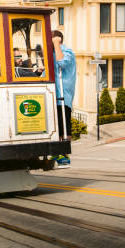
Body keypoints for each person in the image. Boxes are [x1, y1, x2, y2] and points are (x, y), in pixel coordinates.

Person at [51, 30, 76, 168]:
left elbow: (62, 63)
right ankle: (57, 152)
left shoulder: (67, 52)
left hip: (63, 95)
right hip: (54, 95)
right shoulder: (53, 53)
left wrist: (56, 44)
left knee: (64, 125)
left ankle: (64, 154)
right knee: (57, 126)